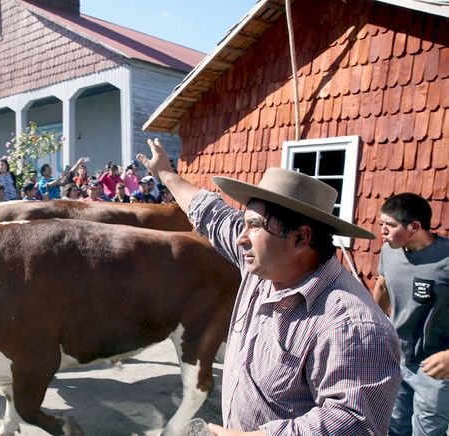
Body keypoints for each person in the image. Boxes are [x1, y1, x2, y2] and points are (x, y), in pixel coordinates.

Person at [136, 138, 401, 435]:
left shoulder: (351, 326)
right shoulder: (265, 264)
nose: (240, 237)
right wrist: (165, 173)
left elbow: (355, 422)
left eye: (254, 225)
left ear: (301, 238)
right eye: (245, 224)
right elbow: (210, 213)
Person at [372, 193, 449, 436]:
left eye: (390, 225)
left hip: (436, 367)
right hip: (397, 358)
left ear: (414, 226)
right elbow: (383, 286)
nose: (383, 231)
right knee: (394, 428)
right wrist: (371, 326)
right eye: (381, 224)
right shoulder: (389, 252)